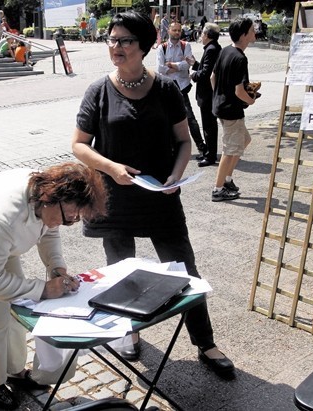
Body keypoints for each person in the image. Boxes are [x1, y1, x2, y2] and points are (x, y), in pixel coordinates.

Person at [71, 10, 235, 379]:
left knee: (185, 270)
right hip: (113, 199)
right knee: (120, 273)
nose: (116, 47)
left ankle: (205, 342)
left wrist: (176, 175)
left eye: (125, 40)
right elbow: (79, 146)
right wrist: (111, 168)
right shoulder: (98, 90)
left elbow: (183, 140)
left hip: (161, 196)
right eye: (112, 40)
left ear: (143, 46)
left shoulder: (165, 88)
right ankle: (128, 332)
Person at [0, 162, 108, 410]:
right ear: (49, 197)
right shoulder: (4, 217)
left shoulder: (47, 201)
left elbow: (49, 231)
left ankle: (14, 372)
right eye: (70, 216)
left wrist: (58, 268)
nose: (69, 222)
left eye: (75, 219)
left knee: (15, 305)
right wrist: (43, 289)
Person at [210, 17, 257, 202]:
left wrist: (219, 95)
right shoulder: (239, 58)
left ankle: (227, 179)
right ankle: (218, 188)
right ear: (244, 34)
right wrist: (251, 101)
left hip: (222, 107)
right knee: (230, 150)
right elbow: (239, 91)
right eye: (252, 30)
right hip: (231, 111)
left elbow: (213, 77)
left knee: (244, 139)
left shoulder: (225, 51)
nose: (255, 33)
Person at [155, 21, 207, 161]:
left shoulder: (186, 46)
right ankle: (169, 149)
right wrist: (179, 66)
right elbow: (160, 68)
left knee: (189, 118)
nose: (177, 33)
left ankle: (202, 147)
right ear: (169, 31)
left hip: (182, 87)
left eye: (179, 30)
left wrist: (172, 65)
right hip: (167, 88)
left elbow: (187, 64)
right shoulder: (162, 48)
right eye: (174, 30)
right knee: (166, 119)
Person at [190, 22, 222, 167]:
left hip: (208, 94)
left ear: (208, 35)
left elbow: (206, 73)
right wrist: (195, 64)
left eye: (202, 33)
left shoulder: (211, 49)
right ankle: (209, 152)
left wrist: (194, 75)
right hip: (208, 94)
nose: (201, 36)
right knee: (209, 125)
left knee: (209, 126)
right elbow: (206, 67)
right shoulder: (212, 48)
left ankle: (210, 156)